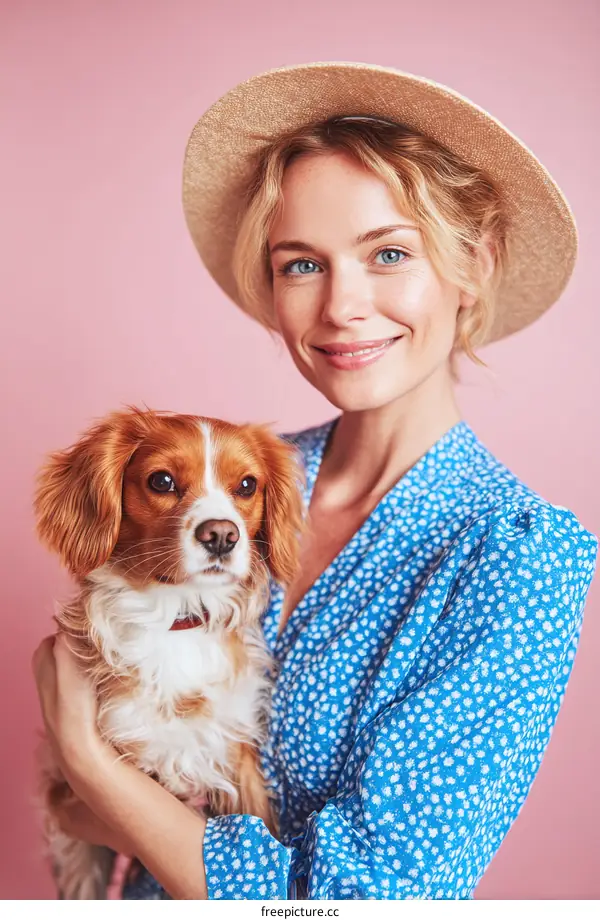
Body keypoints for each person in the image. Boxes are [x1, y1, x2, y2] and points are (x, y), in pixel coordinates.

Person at [32, 62, 598, 900]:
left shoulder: (516, 558)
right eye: (301, 265)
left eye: (389, 254)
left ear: (473, 264)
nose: (341, 307)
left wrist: (87, 759)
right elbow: (76, 811)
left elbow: (370, 902)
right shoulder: (237, 485)